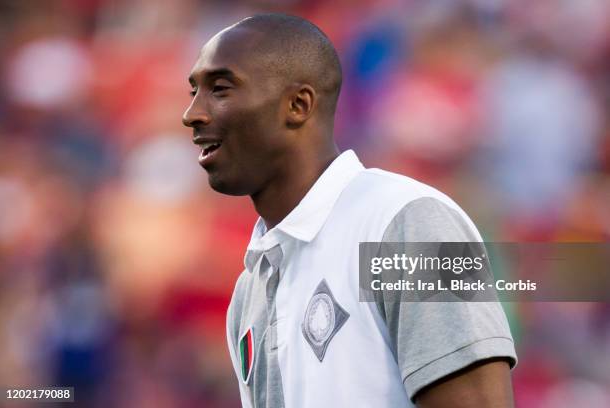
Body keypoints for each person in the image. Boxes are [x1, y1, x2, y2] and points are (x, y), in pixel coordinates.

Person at [183, 13, 517, 408]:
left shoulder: (406, 222)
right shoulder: (250, 289)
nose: (192, 114)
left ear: (298, 105)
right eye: (193, 92)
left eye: (219, 89)